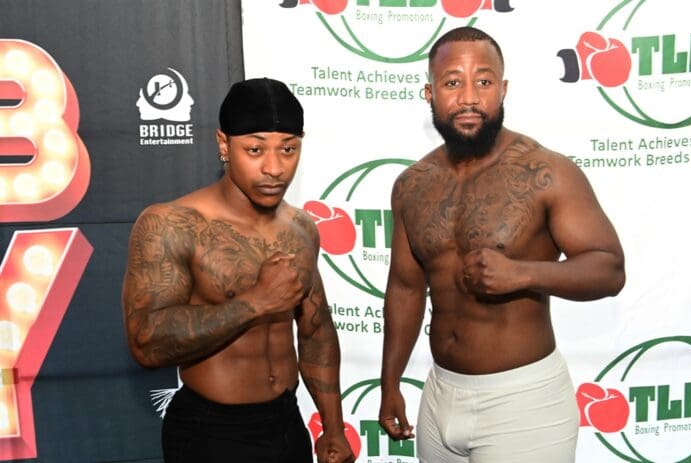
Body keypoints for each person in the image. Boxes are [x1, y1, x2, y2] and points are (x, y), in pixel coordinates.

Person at [378, 26, 625, 463]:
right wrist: (390, 382)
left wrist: (524, 272)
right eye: (453, 82)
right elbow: (405, 288)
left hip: (523, 403)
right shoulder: (411, 185)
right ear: (429, 93)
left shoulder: (546, 172)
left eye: (484, 82)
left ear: (503, 89)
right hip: (439, 397)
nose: (470, 97)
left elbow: (609, 268)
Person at [122, 77, 355, 463]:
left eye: (288, 149)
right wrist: (255, 302)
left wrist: (332, 427)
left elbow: (316, 330)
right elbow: (145, 342)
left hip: (286, 422)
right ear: (223, 144)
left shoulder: (301, 229)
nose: (274, 168)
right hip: (210, 433)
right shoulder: (172, 224)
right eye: (255, 149)